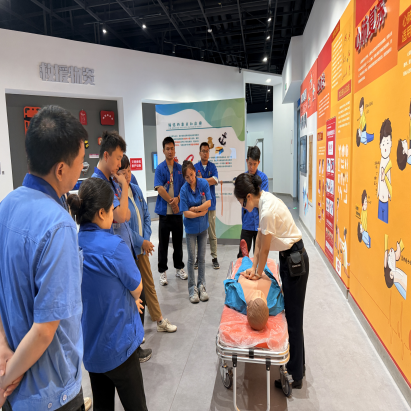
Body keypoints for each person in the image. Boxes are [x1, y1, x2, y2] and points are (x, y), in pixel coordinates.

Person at [0, 105, 91, 411]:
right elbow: (44, 330)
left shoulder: (6, 206)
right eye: (80, 163)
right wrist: (4, 381)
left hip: (15, 388)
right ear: (61, 169)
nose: (82, 170)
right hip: (51, 393)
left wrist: (2, 349)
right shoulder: (58, 225)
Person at [67, 178, 148, 411]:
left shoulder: (72, 245)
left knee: (102, 405)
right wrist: (131, 298)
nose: (114, 214)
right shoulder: (114, 246)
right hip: (119, 346)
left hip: (91, 348)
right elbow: (137, 288)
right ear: (101, 212)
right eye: (112, 209)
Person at [233, 173, 308, 389]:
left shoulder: (266, 210)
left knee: (293, 319)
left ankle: (295, 375)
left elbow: (264, 250)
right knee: (292, 316)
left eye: (241, 203)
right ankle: (298, 366)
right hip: (289, 258)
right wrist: (253, 269)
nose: (243, 207)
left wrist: (257, 273)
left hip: (295, 262)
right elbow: (259, 242)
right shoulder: (264, 200)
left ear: (248, 197)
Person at [92, 131, 151, 362]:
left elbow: (127, 215)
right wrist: (125, 185)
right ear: (106, 155)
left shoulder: (110, 181)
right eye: (118, 158)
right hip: (114, 257)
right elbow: (122, 215)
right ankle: (131, 351)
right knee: (133, 300)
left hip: (124, 252)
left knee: (136, 301)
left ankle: (134, 347)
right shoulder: (101, 184)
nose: (120, 164)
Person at [118, 155, 177, 333]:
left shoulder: (135, 189)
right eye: (123, 172)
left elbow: (146, 215)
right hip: (128, 250)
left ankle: (159, 320)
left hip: (141, 248)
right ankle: (136, 330)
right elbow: (123, 227)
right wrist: (140, 241)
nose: (127, 175)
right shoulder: (117, 196)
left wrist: (146, 239)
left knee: (148, 284)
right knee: (132, 289)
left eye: (129, 170)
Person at [224, 241, 284, 331]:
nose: (259, 293)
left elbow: (229, 290)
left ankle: (245, 256)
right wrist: (260, 273)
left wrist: (244, 275)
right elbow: (281, 296)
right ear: (268, 309)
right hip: (263, 273)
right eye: (261, 297)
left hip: (246, 273)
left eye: (255, 297)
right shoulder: (275, 306)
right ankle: (261, 257)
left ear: (247, 309)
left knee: (245, 264)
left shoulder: (238, 302)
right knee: (263, 264)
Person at [154, 137, 187, 286]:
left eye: (172, 148)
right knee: (163, 244)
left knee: (178, 243)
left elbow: (184, 187)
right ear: (163, 150)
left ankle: (179, 268)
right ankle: (162, 271)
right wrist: (171, 201)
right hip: (164, 213)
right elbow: (159, 188)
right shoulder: (160, 168)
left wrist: (178, 199)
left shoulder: (180, 169)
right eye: (167, 149)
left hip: (177, 213)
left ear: (174, 149)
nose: (170, 151)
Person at [179, 160, 212, 303]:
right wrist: (201, 212)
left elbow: (208, 203)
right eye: (187, 177)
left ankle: (202, 286)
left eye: (192, 175)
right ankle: (192, 289)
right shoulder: (183, 190)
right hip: (191, 230)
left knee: (202, 259)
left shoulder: (203, 184)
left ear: (195, 172)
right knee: (191, 259)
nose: (190, 179)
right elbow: (186, 213)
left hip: (203, 228)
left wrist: (196, 209)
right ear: (184, 177)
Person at [237, 146, 269, 258]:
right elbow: (243, 199)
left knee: (259, 255)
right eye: (250, 163)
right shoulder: (243, 179)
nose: (252, 167)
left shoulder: (263, 178)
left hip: (260, 224)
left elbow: (262, 200)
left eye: (254, 164)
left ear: (258, 162)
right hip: (247, 222)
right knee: (242, 255)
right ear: (246, 161)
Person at [194, 142, 220, 269]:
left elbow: (215, 180)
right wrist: (206, 181)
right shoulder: (195, 167)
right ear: (199, 153)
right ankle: (198, 258)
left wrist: (201, 180)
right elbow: (193, 182)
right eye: (203, 151)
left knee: (212, 233)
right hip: (199, 206)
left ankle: (214, 257)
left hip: (210, 205)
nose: (205, 153)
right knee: (199, 233)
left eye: (207, 151)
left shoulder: (212, 167)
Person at [377, 119, 392, 224]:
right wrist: (378, 191)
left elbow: (389, 179)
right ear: (380, 145)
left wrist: (390, 194)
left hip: (386, 199)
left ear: (391, 144)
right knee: (380, 219)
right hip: (380, 199)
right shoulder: (382, 161)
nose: (385, 147)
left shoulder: (388, 162)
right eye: (383, 144)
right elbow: (379, 178)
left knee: (385, 220)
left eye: (387, 143)